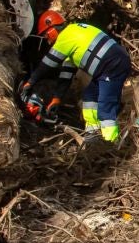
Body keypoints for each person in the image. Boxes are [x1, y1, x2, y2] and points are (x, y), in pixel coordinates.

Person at [21, 9, 132, 143]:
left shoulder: (65, 37)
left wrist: (30, 82)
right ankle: (93, 136)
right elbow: (66, 75)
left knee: (105, 107)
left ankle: (111, 143)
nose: (47, 39)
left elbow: (48, 63)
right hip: (107, 66)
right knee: (89, 97)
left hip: (113, 65)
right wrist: (57, 98)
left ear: (51, 29)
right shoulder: (73, 37)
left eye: (46, 35)